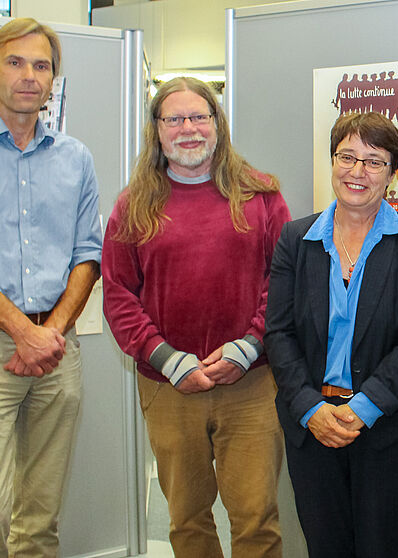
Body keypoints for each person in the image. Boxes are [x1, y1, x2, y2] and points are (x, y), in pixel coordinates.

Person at [101, 77, 289, 558]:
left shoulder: (261, 195)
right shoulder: (132, 206)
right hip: (169, 387)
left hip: (251, 382)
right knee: (187, 520)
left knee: (257, 519)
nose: (188, 128)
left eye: (199, 116)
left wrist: (249, 346)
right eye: (175, 118)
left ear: (217, 123)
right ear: (157, 130)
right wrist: (167, 359)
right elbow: (119, 296)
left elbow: (285, 284)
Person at [265, 111, 398, 557]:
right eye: (347, 157)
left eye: (374, 161)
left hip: (388, 428)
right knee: (326, 547)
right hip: (312, 427)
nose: (357, 171)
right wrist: (310, 408)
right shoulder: (296, 239)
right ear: (332, 161)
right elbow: (278, 333)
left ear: (393, 172)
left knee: (384, 546)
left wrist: (362, 408)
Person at [0, 18, 101, 557]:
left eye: (41, 66)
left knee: (40, 516)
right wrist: (22, 331)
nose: (29, 76)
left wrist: (50, 333)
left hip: (58, 350)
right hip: (5, 343)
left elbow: (89, 254)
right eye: (15, 62)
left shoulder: (75, 158)